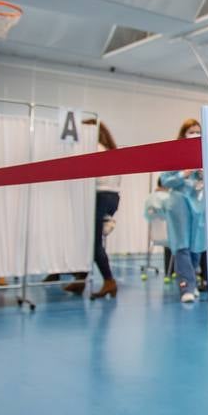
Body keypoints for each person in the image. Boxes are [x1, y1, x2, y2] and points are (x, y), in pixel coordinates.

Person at [64, 121, 120, 299]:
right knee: (90, 240)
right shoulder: (109, 149)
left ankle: (109, 281)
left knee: (92, 242)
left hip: (100, 196)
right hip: (112, 197)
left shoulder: (93, 148)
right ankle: (81, 279)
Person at [159, 119, 207, 303]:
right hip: (178, 203)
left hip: (198, 203)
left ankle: (192, 281)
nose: (195, 134)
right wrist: (183, 174)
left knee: (196, 245)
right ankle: (187, 286)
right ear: (183, 133)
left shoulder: (203, 154)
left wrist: (203, 175)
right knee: (182, 246)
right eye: (191, 131)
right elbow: (165, 180)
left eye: (198, 131)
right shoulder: (174, 153)